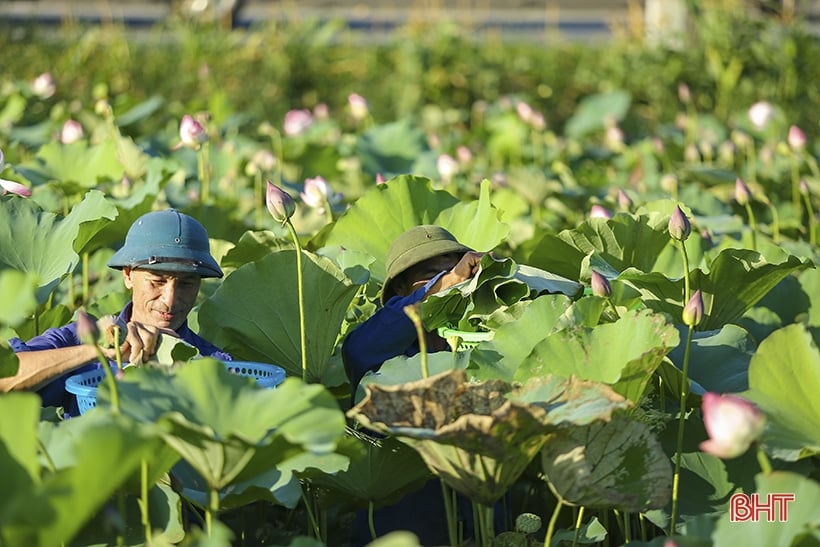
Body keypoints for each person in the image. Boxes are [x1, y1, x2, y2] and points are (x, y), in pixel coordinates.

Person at [342, 224, 493, 546]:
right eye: (431, 273)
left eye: (453, 270)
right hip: (404, 520)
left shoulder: (483, 344)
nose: (452, 280)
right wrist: (441, 286)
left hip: (477, 513)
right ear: (401, 289)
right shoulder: (378, 350)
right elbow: (357, 351)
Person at [1, 209, 232, 413]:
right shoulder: (73, 339)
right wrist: (96, 350)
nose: (170, 300)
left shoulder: (213, 363)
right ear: (128, 276)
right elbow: (5, 380)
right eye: (157, 281)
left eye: (186, 284)